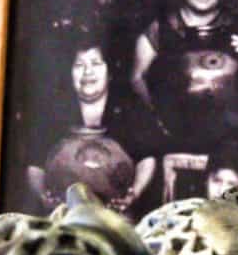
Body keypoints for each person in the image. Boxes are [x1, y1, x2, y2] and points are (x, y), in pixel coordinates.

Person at [131, 0, 238, 151]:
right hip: (171, 138)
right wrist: (158, 118)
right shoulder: (159, 29)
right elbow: (137, 78)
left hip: (228, 141)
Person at [27, 25, 156, 215]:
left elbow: (147, 158)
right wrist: (44, 196)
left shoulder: (128, 107)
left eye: (96, 63)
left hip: (116, 214)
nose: (88, 72)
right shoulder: (55, 109)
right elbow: (34, 165)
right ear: (69, 73)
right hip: (64, 215)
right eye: (79, 65)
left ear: (109, 71)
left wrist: (133, 194)